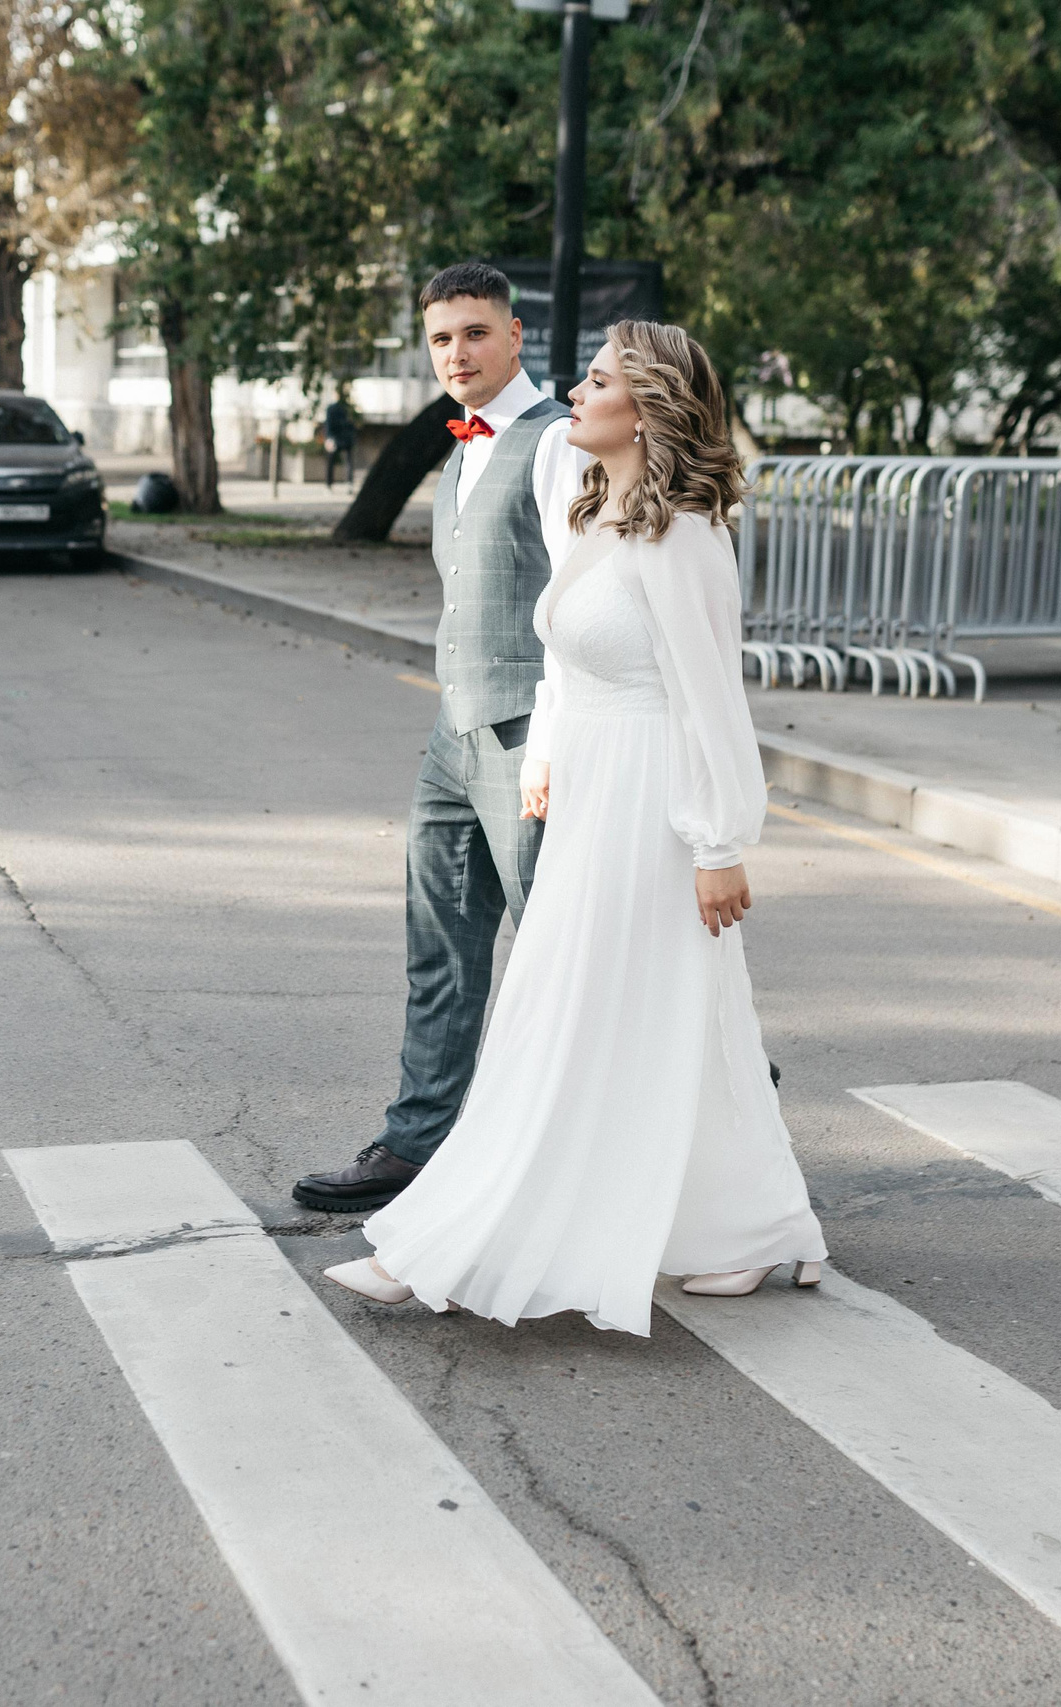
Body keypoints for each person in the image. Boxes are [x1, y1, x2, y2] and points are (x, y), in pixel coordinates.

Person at [324, 321, 826, 1334]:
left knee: (573, 1013)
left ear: (646, 410)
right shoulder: (599, 512)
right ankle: (750, 1228)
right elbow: (569, 660)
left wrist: (718, 843)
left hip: (652, 809)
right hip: (594, 794)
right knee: (671, 1017)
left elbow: (709, 703)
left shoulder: (686, 535)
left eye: (596, 381)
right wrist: (547, 752)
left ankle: (454, 1244)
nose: (575, 393)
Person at [292, 262, 590, 1215]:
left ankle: (712, 1106)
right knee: (441, 949)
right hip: (453, 732)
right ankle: (417, 1143)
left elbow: (586, 601)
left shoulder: (558, 443)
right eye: (440, 339)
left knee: (572, 949)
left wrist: (551, 743)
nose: (456, 353)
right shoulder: (461, 450)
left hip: (531, 734)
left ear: (515, 335)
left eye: (474, 332)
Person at [322, 395, 359, 488]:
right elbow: (329, 424)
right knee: (342, 461)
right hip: (339, 438)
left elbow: (329, 425)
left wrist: (329, 438)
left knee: (345, 461)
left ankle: (345, 483)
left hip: (342, 438)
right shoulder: (342, 408)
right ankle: (333, 483)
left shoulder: (345, 408)